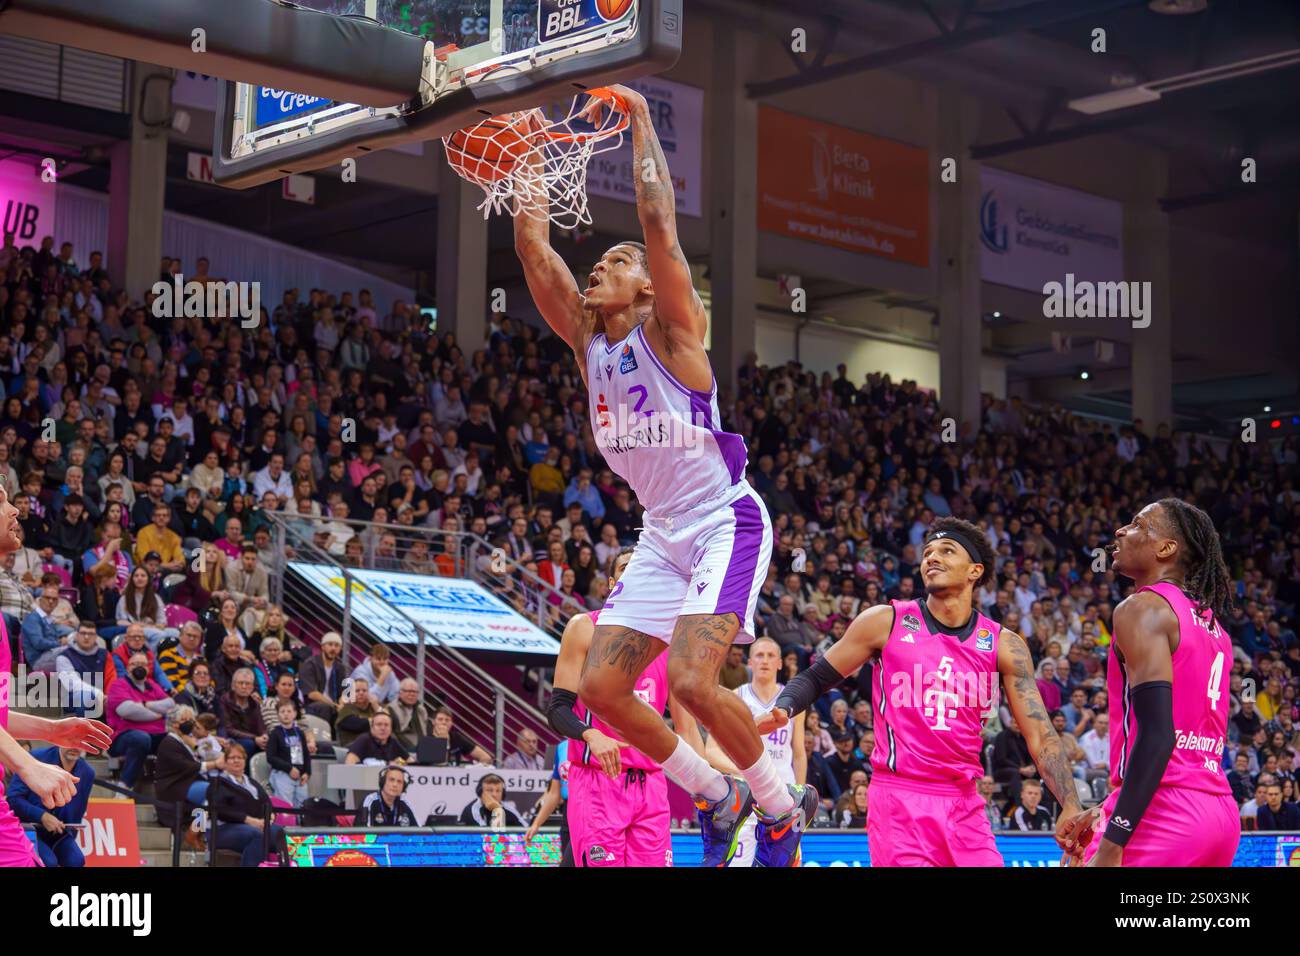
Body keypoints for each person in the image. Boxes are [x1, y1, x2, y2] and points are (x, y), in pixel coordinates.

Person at [516, 86, 812, 867]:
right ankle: (718, 797)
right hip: (661, 532)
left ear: (647, 287)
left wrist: (641, 117)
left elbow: (657, 225)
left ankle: (781, 810)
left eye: (616, 263)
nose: (600, 265)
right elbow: (534, 251)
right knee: (602, 692)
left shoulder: (676, 332)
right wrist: (528, 146)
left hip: (723, 517)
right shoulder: (589, 343)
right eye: (602, 260)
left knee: (689, 681)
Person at [758, 517, 1087, 866]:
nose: (931, 557)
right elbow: (815, 677)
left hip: (965, 803)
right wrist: (785, 706)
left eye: (946, 550)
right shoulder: (886, 621)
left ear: (975, 571)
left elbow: (1040, 734)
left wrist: (1070, 801)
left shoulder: (1004, 645)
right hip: (898, 799)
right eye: (927, 551)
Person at [1079, 500, 1242, 867]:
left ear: (1166, 549)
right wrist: (1105, 809)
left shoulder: (1141, 609)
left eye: (1137, 524)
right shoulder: (1215, 627)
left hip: (1164, 814)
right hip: (1218, 810)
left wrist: (1112, 842)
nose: (1120, 531)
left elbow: (1159, 737)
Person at [544, 548, 701, 867]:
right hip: (597, 779)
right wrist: (589, 734)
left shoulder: (670, 642)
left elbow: (687, 731)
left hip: (651, 785)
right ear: (612, 583)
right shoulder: (584, 628)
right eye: (628, 567)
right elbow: (557, 709)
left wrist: (717, 783)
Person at [703, 637, 806, 867]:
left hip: (784, 798)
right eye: (759, 655)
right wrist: (742, 770)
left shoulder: (794, 701)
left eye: (771, 656)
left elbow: (799, 753)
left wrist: (801, 801)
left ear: (780, 663)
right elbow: (711, 750)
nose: (765, 661)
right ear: (749, 662)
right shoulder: (735, 698)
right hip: (748, 798)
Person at [6, 746, 94, 866]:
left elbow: (78, 813)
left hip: (59, 832)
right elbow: (13, 798)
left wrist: (69, 835)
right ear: (60, 739)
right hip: (27, 828)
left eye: (80, 742)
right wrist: (42, 816)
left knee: (76, 860)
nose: (74, 746)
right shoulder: (35, 757)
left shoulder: (88, 773)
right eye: (70, 740)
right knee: (49, 862)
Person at [105, 649, 174, 788]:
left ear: (148, 668)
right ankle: (124, 786)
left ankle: (167, 789)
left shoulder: (152, 685)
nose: (139, 667)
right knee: (141, 738)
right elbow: (127, 710)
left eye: (142, 664)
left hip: (155, 735)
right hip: (122, 737)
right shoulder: (119, 685)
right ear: (128, 667)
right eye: (134, 663)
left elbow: (170, 705)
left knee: (174, 741)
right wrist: (157, 715)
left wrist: (144, 704)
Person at [208, 744, 284, 865]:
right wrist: (249, 820)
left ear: (245, 760)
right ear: (225, 762)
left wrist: (269, 819)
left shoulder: (252, 783)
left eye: (240, 757)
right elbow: (220, 810)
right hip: (223, 829)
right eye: (232, 758)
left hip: (256, 825)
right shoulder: (218, 783)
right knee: (256, 835)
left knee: (281, 833)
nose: (236, 760)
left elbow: (267, 804)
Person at [266, 699, 311, 807]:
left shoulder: (300, 733)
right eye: (282, 711)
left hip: (300, 776)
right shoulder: (275, 733)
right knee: (285, 805)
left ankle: (301, 823)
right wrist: (289, 768)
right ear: (277, 715)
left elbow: (306, 754)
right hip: (282, 773)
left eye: (289, 711)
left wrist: (307, 772)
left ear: (295, 714)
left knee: (302, 804)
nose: (286, 714)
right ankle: (285, 824)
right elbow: (271, 757)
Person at [22, 583, 74, 672]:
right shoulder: (33, 618)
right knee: (74, 651)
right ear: (40, 600)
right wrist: (60, 643)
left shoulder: (48, 619)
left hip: (51, 655)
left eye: (54, 599)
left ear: (57, 602)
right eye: (47, 598)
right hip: (38, 661)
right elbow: (38, 643)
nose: (51, 601)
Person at [300, 631, 345, 726]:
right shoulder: (310, 664)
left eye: (337, 645)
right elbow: (312, 694)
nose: (333, 648)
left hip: (334, 706)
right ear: (323, 646)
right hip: (313, 705)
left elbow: (344, 692)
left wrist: (342, 703)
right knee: (324, 707)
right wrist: (334, 705)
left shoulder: (340, 667)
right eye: (330, 644)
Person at [458, 773, 525, 828]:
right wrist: (497, 810)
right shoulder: (472, 810)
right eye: (489, 790)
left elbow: (525, 829)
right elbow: (486, 837)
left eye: (498, 791)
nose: (494, 794)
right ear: (481, 793)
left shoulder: (509, 808)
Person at [344, 712, 409, 765]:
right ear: (372, 728)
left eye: (386, 725)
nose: (383, 728)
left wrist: (403, 764)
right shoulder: (364, 739)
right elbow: (350, 763)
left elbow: (410, 761)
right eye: (379, 724)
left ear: (391, 729)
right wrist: (386, 764)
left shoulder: (392, 741)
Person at [335, 677, 382, 748]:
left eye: (364, 690)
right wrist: (380, 722)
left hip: (374, 744)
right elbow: (357, 724)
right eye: (357, 691)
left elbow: (391, 722)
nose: (361, 693)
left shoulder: (374, 706)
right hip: (352, 745)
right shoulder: (346, 707)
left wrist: (377, 708)